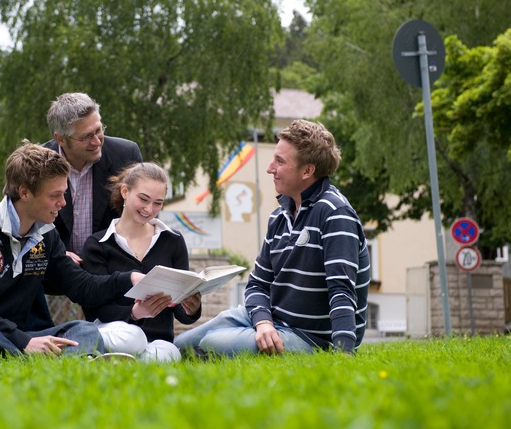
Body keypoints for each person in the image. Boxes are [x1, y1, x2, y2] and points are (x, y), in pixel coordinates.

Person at [0, 141, 142, 363]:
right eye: (55, 196)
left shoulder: (47, 236)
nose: (63, 203)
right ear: (24, 192)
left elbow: (82, 286)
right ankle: (29, 359)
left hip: (8, 337)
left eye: (64, 194)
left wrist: (129, 279)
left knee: (83, 328)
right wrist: (23, 341)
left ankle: (78, 364)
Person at [175, 119, 370, 356]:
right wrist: (263, 322)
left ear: (307, 171)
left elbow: (342, 291)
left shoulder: (335, 214)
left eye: (280, 161)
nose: (270, 168)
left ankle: (207, 355)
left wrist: (343, 355)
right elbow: (257, 284)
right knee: (179, 345)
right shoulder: (279, 216)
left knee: (213, 344)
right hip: (269, 320)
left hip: (308, 337)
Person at [81, 162, 202, 362]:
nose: (149, 209)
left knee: (168, 353)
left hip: (157, 339)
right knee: (133, 339)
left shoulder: (173, 241)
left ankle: (117, 364)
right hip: (115, 332)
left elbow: (180, 312)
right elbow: (96, 307)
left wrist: (192, 308)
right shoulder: (98, 244)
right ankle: (105, 352)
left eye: (158, 203)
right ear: (125, 191)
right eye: (144, 199)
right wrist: (134, 313)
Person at [43, 92, 142, 264]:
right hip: (53, 275)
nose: (97, 141)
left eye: (98, 130)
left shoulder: (126, 155)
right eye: (86, 136)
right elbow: (22, 224)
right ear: (60, 139)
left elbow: (142, 218)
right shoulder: (36, 164)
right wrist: (55, 254)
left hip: (110, 271)